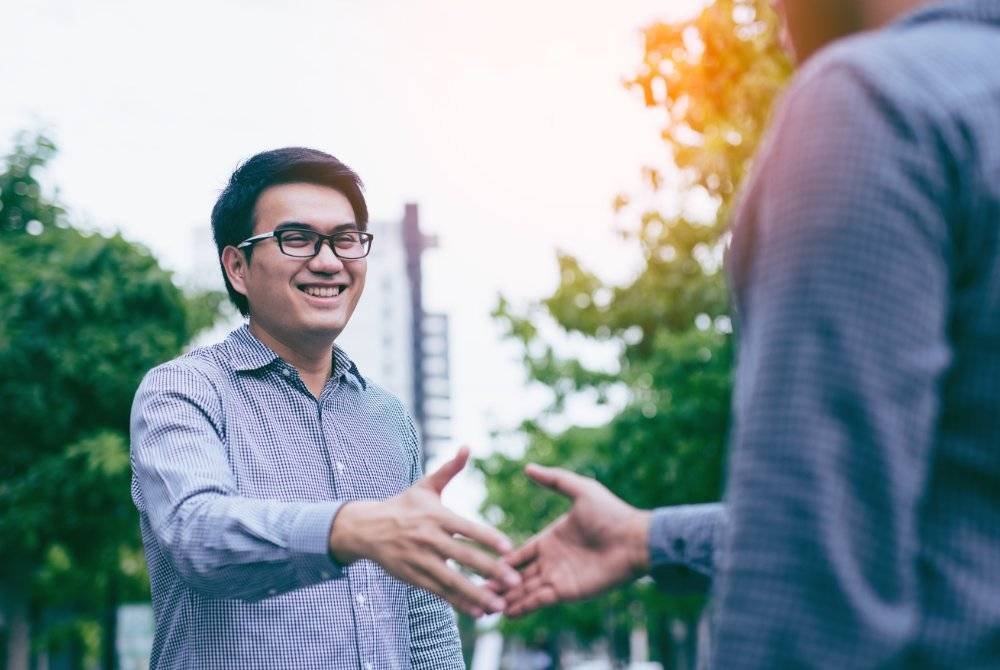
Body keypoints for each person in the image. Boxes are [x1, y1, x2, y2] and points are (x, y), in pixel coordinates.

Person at [501, 0, 1000, 667]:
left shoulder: (880, 102)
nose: (774, 25)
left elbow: (808, 577)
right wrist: (648, 537)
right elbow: (956, 519)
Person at [130, 147, 520, 669]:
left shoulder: (388, 419)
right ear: (237, 266)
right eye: (297, 239)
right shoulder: (183, 391)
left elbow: (424, 620)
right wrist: (346, 530)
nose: (329, 261)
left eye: (345, 239)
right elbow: (197, 535)